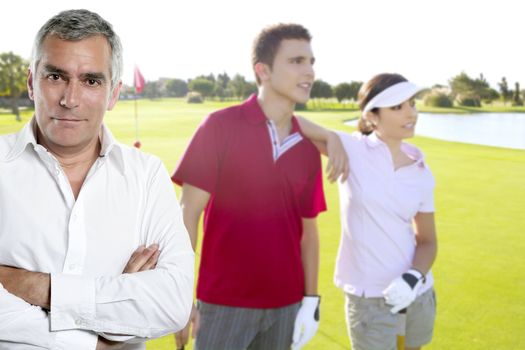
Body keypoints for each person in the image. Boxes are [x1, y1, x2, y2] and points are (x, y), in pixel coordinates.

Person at [0, 9, 194, 350]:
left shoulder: (146, 176)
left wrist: (34, 286)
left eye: (91, 80)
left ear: (114, 93)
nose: (70, 99)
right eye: (56, 76)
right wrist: (99, 337)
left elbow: (172, 303)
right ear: (32, 83)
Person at [172, 23, 346, 350]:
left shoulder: (308, 147)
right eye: (296, 61)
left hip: (287, 307)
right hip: (223, 305)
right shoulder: (220, 126)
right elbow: (188, 212)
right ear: (262, 70)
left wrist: (311, 300)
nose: (309, 71)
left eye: (311, 61)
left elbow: (309, 232)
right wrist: (180, 295)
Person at [298, 73, 437, 350]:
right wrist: (330, 137)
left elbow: (428, 241)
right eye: (397, 107)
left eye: (411, 103)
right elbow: (292, 123)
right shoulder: (353, 148)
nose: (411, 112)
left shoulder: (421, 170)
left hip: (416, 291)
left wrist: (412, 278)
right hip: (368, 298)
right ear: (372, 116)